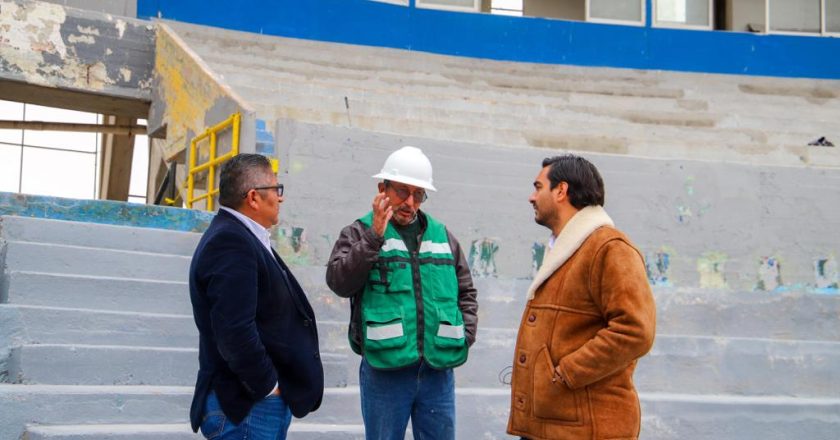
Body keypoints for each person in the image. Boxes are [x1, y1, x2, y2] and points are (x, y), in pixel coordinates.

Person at [326, 145, 478, 440]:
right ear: (382, 188)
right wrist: (374, 237)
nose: (410, 202)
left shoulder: (443, 236)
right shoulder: (358, 232)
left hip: (438, 370)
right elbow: (339, 282)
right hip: (385, 372)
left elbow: (467, 292)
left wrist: (466, 335)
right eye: (402, 192)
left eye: (418, 194)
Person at [507, 154, 656, 440]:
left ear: (561, 191)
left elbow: (636, 330)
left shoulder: (609, 248)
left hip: (586, 427)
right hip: (556, 423)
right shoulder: (567, 247)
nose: (531, 197)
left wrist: (566, 373)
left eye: (538, 187)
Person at [188, 154, 323, 439]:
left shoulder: (243, 238)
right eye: (276, 189)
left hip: (255, 405)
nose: (280, 198)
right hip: (248, 406)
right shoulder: (231, 242)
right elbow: (234, 330)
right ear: (253, 197)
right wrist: (267, 387)